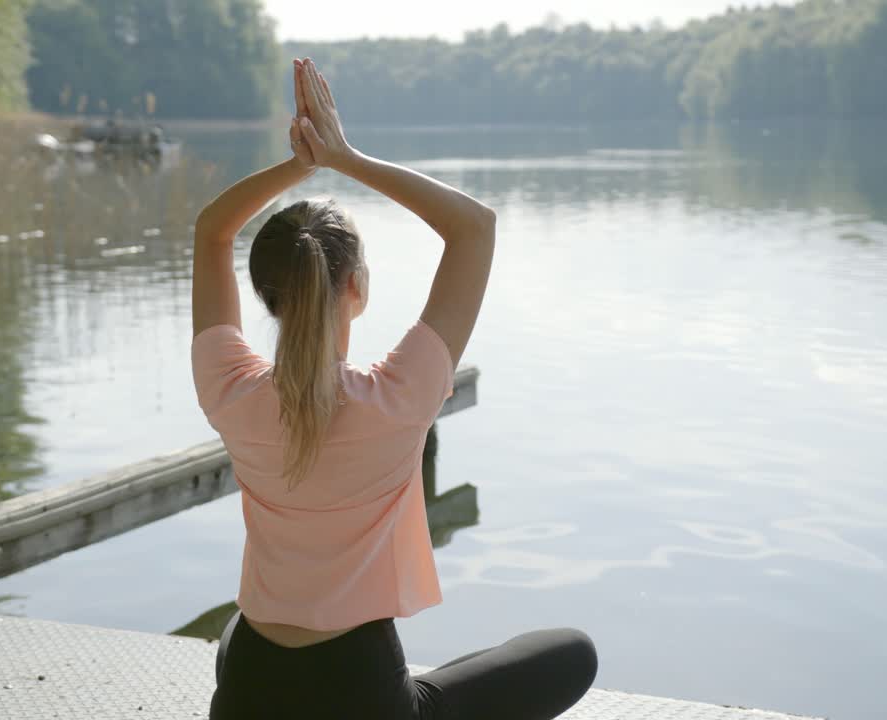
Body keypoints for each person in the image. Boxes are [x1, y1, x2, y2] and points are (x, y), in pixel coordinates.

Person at [191, 57, 598, 720]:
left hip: (247, 690)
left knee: (243, 635)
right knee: (571, 652)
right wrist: (343, 157)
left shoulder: (230, 390)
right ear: (357, 288)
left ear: (266, 299)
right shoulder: (399, 399)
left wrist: (299, 167)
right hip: (359, 691)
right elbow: (475, 226)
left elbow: (212, 230)